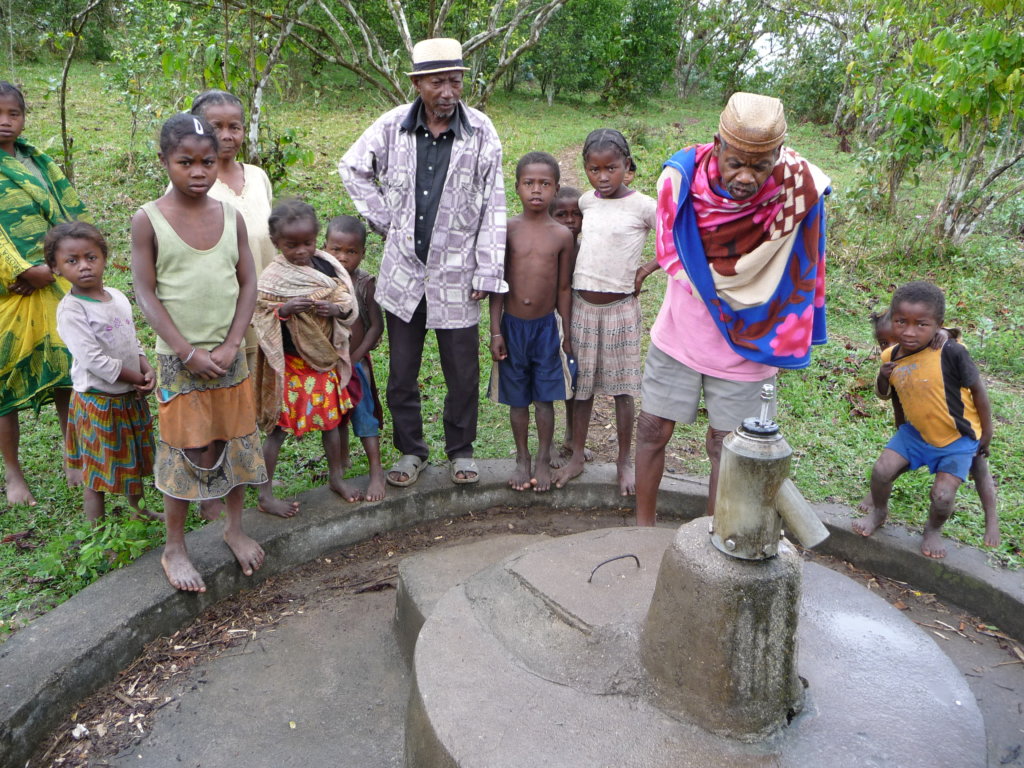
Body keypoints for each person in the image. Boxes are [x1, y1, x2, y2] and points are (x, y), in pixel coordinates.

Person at [634, 92, 830, 526]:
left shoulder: (796, 190)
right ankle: (641, 530)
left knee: (731, 447)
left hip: (752, 338)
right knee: (652, 430)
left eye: (760, 166)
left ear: (778, 156)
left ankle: (712, 539)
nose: (745, 176)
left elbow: (804, 261)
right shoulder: (680, 179)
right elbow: (672, 254)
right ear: (717, 145)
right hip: (681, 333)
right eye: (735, 161)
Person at [338, 37, 507, 487]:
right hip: (404, 271)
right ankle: (411, 450)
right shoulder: (393, 126)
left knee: (462, 372)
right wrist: (384, 220)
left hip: (459, 272)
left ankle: (461, 449)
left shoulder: (482, 131)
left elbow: (494, 203)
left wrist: (489, 269)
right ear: (417, 84)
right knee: (401, 373)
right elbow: (352, 166)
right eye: (438, 82)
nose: (448, 91)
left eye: (455, 81)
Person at [131, 113, 268, 593]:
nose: (197, 172)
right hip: (179, 360)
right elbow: (146, 292)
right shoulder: (148, 220)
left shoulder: (231, 217)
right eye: (184, 161)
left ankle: (233, 527)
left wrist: (233, 342)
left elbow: (249, 281)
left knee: (235, 440)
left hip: (231, 355)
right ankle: (175, 546)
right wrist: (187, 352)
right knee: (185, 449)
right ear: (165, 161)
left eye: (207, 162)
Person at [854, 284, 998, 557]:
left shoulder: (951, 351)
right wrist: (882, 377)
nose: (909, 332)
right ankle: (879, 512)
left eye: (921, 325)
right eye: (901, 322)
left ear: (938, 325)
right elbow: (886, 395)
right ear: (893, 318)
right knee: (882, 471)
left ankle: (933, 530)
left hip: (957, 438)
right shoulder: (891, 356)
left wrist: (987, 434)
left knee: (942, 497)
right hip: (915, 434)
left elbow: (979, 392)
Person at [552, 129, 657, 496]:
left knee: (622, 390)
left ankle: (624, 461)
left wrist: (644, 270)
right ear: (586, 170)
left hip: (620, 310)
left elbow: (675, 238)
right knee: (581, 388)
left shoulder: (644, 206)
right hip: (582, 308)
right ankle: (577, 454)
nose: (603, 177)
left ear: (626, 166)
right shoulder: (586, 203)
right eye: (595, 170)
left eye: (611, 168)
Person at [0, 80, 89, 505]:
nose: (5, 122)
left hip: (54, 281)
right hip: (8, 292)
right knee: (3, 387)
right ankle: (14, 475)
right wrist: (18, 270)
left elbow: (68, 219)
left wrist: (52, 269)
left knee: (67, 373)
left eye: (13, 114)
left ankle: (74, 457)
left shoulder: (39, 162)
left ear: (24, 116)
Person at [252, 200, 360, 513]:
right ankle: (265, 494)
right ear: (276, 243)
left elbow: (346, 302)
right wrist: (283, 311)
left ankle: (336, 477)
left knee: (331, 422)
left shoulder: (326, 266)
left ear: (317, 239)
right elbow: (260, 312)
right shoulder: (274, 277)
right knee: (278, 429)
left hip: (323, 361)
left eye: (308, 243)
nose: (301, 251)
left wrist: (335, 309)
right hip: (290, 365)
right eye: (292, 245)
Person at [49, 221, 157, 522]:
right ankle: (95, 529)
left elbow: (132, 341)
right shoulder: (72, 310)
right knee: (96, 470)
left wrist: (145, 367)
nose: (84, 266)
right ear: (56, 268)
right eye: (72, 261)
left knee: (133, 458)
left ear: (104, 258)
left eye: (90, 257)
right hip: (98, 401)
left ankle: (139, 510)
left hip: (128, 396)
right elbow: (93, 359)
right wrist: (138, 378)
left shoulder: (117, 297)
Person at [488, 152, 574, 492]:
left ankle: (542, 457)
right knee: (518, 399)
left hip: (545, 329)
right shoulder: (507, 229)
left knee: (545, 398)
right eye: (529, 183)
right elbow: (497, 284)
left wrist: (566, 333)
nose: (536, 190)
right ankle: (522, 457)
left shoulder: (562, 235)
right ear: (517, 187)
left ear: (555, 188)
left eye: (544, 184)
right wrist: (495, 329)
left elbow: (564, 287)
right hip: (512, 327)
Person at [190, 89, 275, 376]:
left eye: (234, 127)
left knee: (265, 397)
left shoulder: (257, 176)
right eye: (216, 127)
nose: (227, 135)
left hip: (268, 311)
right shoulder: (192, 185)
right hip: (221, 321)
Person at [324, 214, 387, 501]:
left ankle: (376, 471)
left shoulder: (364, 283)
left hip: (357, 363)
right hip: (326, 366)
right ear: (324, 248)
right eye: (336, 250)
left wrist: (358, 355)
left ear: (362, 253)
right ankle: (337, 470)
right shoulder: (319, 282)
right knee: (334, 420)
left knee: (364, 416)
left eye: (351, 252)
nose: (343, 257)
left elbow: (376, 325)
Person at [547, 185, 590, 468]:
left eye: (576, 214)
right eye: (562, 215)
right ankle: (547, 442)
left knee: (576, 378)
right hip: (547, 320)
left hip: (580, 319)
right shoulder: (546, 244)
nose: (570, 220)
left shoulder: (587, 248)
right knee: (549, 381)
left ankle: (573, 437)